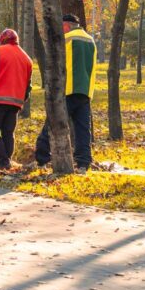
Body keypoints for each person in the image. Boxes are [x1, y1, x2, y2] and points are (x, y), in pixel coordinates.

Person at [34, 14, 97, 172]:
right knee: (83, 129)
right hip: (85, 90)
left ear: (66, 26)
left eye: (62, 26)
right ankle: (83, 163)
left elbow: (57, 65)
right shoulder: (90, 40)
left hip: (67, 90)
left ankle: (42, 157)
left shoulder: (66, 39)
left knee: (53, 122)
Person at [0, 29, 33, 171]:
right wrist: (22, 98)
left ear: (2, 39)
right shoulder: (26, 58)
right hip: (15, 101)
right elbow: (28, 85)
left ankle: (3, 162)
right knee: (8, 132)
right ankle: (6, 163)